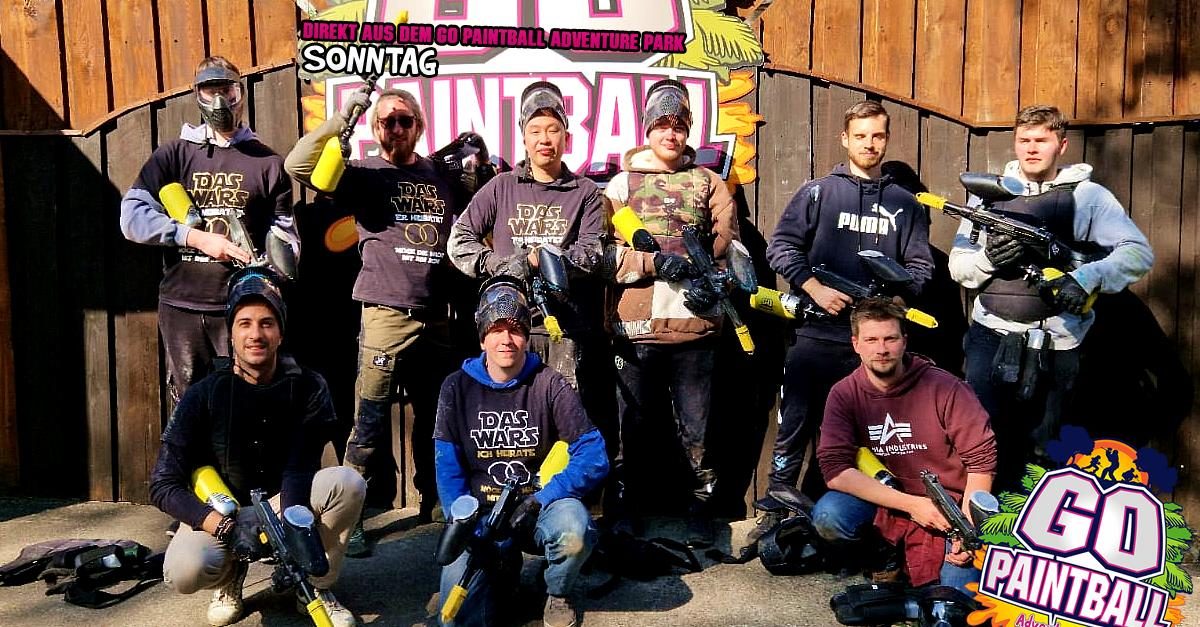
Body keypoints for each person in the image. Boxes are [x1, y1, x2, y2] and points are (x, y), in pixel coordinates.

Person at [285, 86, 457, 552]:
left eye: (404, 120)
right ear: (376, 129)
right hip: (384, 313)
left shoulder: (440, 174)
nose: (396, 128)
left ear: (419, 126)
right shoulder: (362, 174)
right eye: (386, 121)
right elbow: (297, 166)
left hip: (435, 316)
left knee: (435, 415)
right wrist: (343, 119)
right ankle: (348, 515)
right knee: (368, 419)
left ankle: (434, 500)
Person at [947, 104, 1153, 489]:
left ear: (1062, 144)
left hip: (1059, 343)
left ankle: (1039, 525)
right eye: (1023, 140)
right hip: (990, 338)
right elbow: (958, 267)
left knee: (1049, 451)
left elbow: (1138, 253)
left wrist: (1086, 278)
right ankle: (983, 524)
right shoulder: (987, 196)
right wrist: (989, 259)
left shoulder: (1088, 197)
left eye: (1041, 140)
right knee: (983, 445)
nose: (1031, 148)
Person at [148, 267, 366, 627]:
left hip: (284, 501)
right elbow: (162, 484)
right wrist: (224, 527)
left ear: (281, 332)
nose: (255, 334)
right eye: (244, 324)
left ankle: (314, 585)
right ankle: (229, 576)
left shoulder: (309, 386)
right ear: (231, 333)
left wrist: (287, 536)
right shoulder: (203, 393)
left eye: (267, 323)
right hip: (223, 509)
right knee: (184, 570)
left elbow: (300, 466)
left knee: (348, 483)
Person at [765, 101, 934, 500]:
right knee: (794, 426)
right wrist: (814, 288)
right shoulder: (818, 193)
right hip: (816, 336)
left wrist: (895, 301)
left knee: (865, 436)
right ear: (845, 139)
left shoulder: (906, 203)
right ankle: (777, 506)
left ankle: (844, 514)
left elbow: (921, 267)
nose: (869, 144)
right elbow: (781, 248)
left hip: (874, 346)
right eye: (860, 136)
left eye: (877, 136)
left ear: (887, 139)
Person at [599, 79, 738, 546]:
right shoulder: (621, 184)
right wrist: (651, 263)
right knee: (632, 426)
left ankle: (701, 509)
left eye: (679, 126)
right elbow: (603, 254)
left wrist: (715, 280)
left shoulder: (709, 183)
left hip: (696, 327)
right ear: (647, 129)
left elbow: (729, 249)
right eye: (661, 125)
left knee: (699, 428)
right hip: (636, 327)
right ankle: (624, 509)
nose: (670, 134)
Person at [119, 55, 297, 405]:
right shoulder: (173, 155)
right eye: (210, 91)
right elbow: (131, 217)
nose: (220, 102)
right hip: (181, 304)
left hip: (241, 309)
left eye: (227, 91)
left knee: (245, 403)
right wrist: (195, 237)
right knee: (190, 405)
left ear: (240, 93)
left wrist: (268, 271)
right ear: (197, 95)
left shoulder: (268, 163)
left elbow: (286, 238)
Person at [433, 278, 608, 627]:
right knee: (454, 620)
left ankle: (557, 592)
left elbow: (594, 454)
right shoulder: (456, 387)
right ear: (482, 338)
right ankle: (502, 570)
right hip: (481, 516)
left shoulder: (549, 383)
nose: (506, 339)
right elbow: (447, 465)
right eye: (496, 330)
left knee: (574, 531)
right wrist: (464, 521)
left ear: (527, 337)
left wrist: (542, 498)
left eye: (515, 330)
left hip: (538, 506)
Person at [445, 81, 611, 450]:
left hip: (565, 331)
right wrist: (503, 266)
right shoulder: (502, 186)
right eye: (535, 131)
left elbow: (593, 254)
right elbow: (459, 242)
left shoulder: (586, 192)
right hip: (507, 330)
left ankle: (564, 485)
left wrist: (545, 259)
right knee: (512, 425)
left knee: (565, 428)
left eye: (553, 130)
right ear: (523, 137)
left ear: (566, 137)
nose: (544, 139)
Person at [812, 298, 997, 593]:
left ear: (904, 341)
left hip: (950, 510)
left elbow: (981, 464)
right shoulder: (844, 394)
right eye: (871, 340)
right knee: (829, 515)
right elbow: (835, 471)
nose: (882, 349)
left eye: (890, 338)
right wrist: (912, 505)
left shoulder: (947, 388)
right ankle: (883, 558)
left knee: (954, 599)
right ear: (856, 344)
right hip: (886, 501)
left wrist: (968, 530)